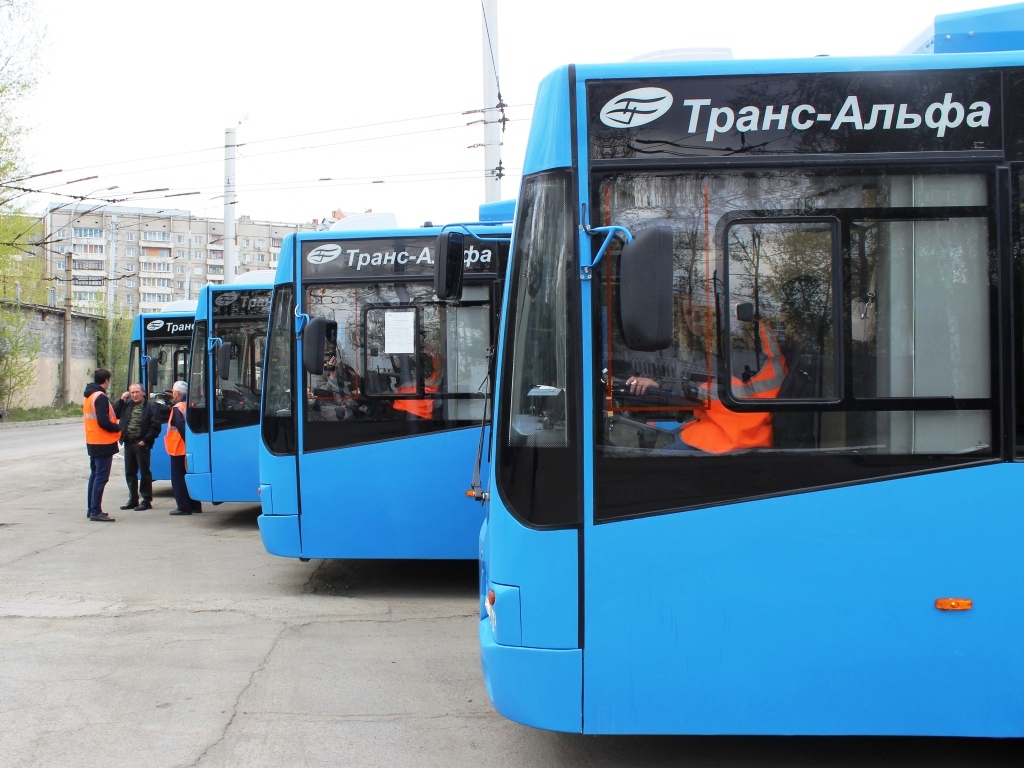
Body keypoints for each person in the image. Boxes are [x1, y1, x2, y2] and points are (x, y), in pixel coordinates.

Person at [627, 312, 786, 454]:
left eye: (699, 311)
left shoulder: (744, 335)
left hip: (737, 432)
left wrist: (661, 386)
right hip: (720, 422)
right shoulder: (745, 332)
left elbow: (718, 388)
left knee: (652, 465)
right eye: (688, 312)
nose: (693, 318)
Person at [113, 382, 161, 511]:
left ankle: (146, 500)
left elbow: (155, 426)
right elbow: (113, 413)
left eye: (137, 392)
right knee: (130, 473)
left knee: (145, 473)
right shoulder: (127, 404)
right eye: (132, 392)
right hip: (128, 443)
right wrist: (121, 400)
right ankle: (133, 499)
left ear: (143, 392)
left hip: (141, 445)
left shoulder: (151, 406)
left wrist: (145, 440)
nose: (135, 395)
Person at [83, 368, 121, 522]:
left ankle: (91, 509)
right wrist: (118, 428)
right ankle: (95, 511)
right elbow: (103, 421)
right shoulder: (101, 397)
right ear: (106, 380)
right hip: (103, 441)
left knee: (95, 475)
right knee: (101, 478)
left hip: (93, 440)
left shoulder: (89, 395)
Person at [165, 380, 202, 516]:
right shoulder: (191, 405)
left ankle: (183, 506)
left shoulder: (177, 408)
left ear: (176, 393)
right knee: (190, 476)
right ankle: (195, 504)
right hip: (189, 449)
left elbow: (181, 428)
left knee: (178, 478)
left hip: (178, 448)